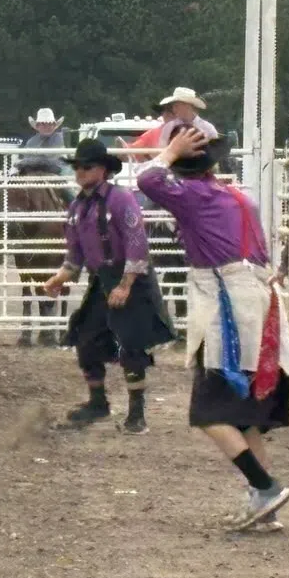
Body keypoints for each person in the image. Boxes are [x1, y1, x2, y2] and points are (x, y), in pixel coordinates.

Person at [137, 127, 289, 532]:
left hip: (228, 305)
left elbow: (147, 180)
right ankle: (265, 506)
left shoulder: (193, 197)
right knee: (244, 416)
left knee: (208, 412)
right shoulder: (239, 198)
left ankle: (265, 487)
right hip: (260, 300)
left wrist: (169, 153)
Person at [41, 139, 176, 434]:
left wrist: (126, 284)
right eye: (77, 167)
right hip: (102, 279)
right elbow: (74, 257)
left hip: (131, 278)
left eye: (86, 167)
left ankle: (137, 414)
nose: (80, 172)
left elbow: (136, 242)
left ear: (102, 170)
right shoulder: (77, 207)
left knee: (131, 343)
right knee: (86, 338)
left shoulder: (121, 199)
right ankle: (98, 402)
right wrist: (58, 279)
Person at [155, 87, 220, 142]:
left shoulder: (208, 128)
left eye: (176, 106)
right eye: (173, 106)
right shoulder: (168, 127)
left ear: (187, 105)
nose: (174, 109)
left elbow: (215, 152)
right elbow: (163, 151)